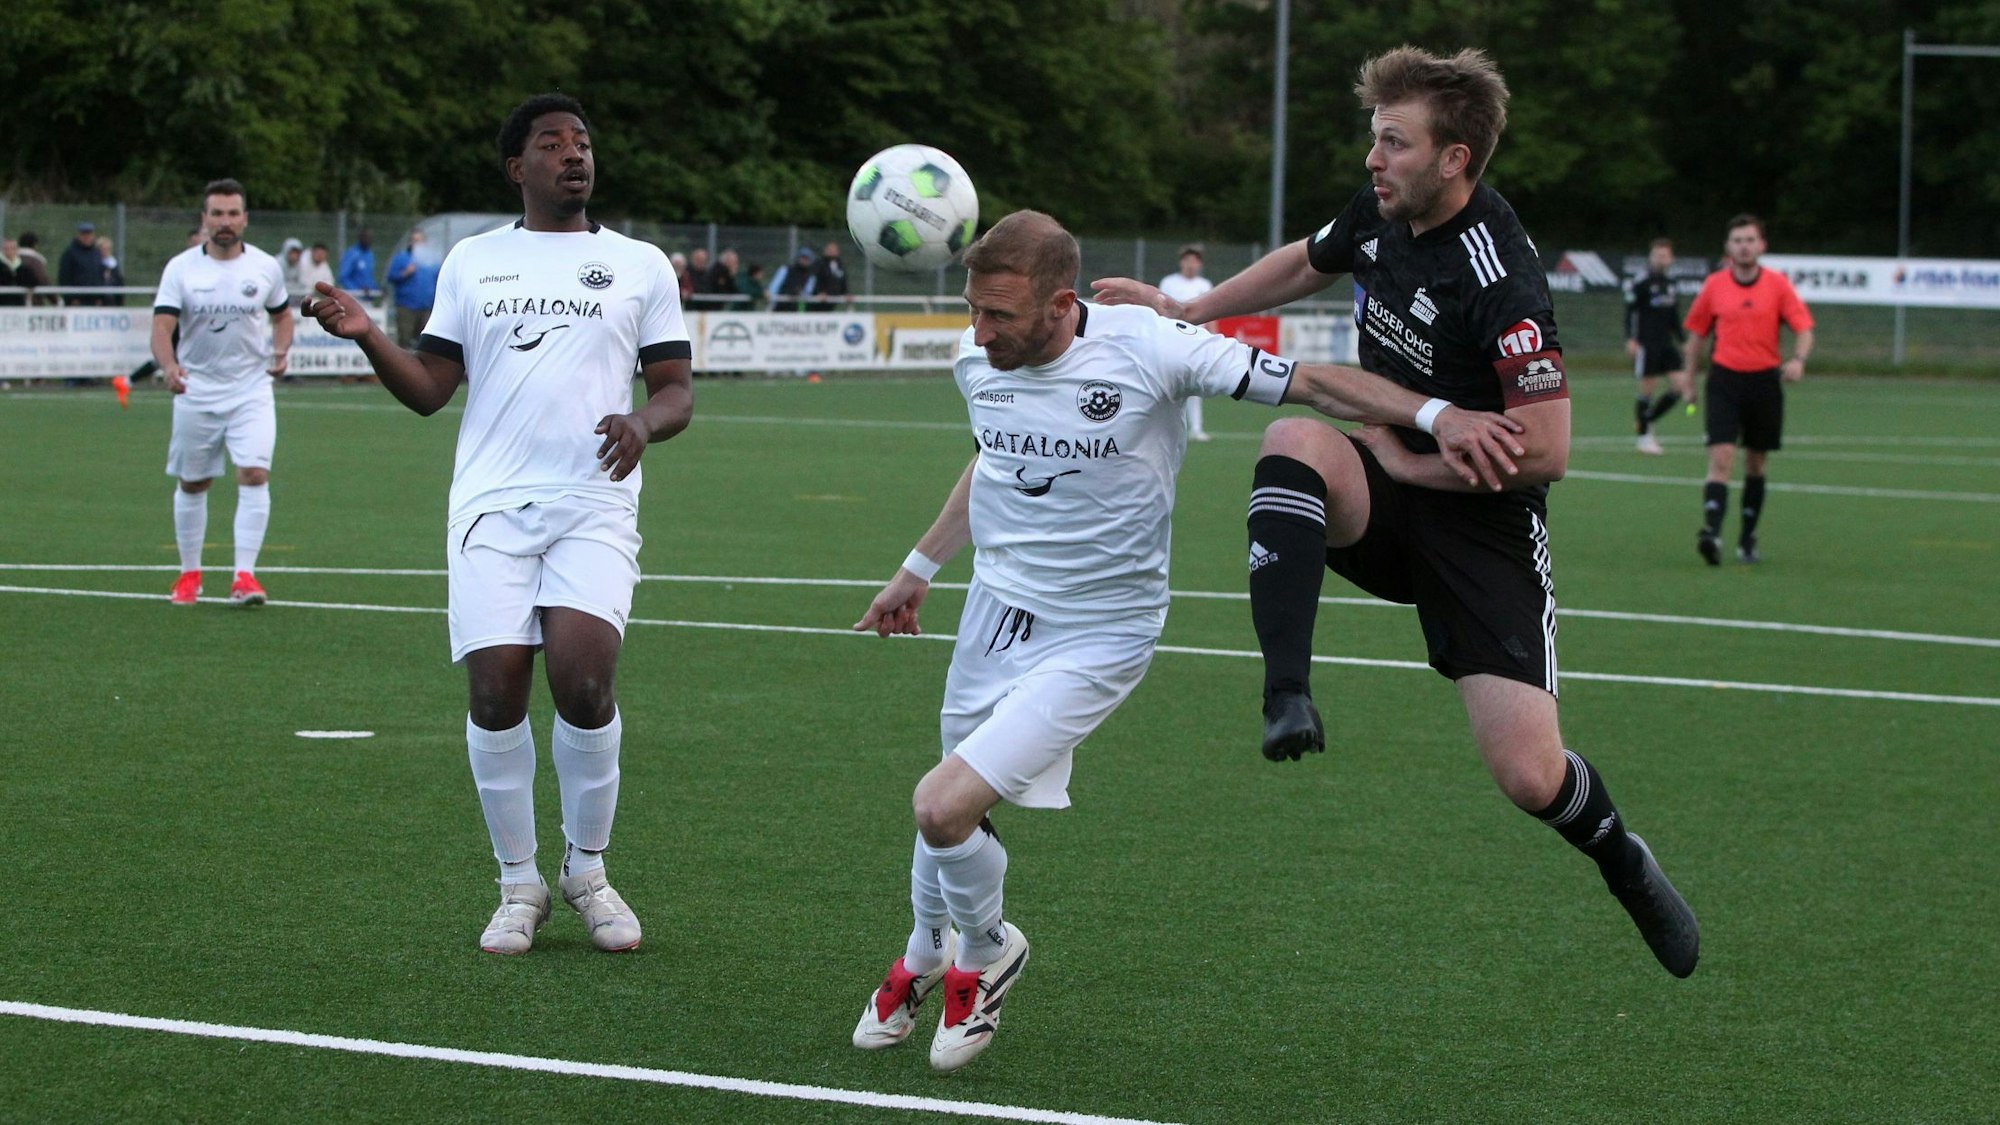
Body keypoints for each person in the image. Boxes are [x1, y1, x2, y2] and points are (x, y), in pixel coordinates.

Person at [848, 209, 1526, 1073]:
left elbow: (1315, 384)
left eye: (1000, 317)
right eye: (974, 312)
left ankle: (987, 954)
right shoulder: (977, 358)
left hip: (1100, 632)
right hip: (993, 611)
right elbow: (993, 456)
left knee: (941, 805)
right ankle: (924, 949)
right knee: (951, 803)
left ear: (1061, 305)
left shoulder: (1153, 349)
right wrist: (918, 566)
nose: (979, 334)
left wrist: (1440, 413)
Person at [1093, 46, 1700, 981]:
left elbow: (1547, 451)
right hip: (1381, 481)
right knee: (1293, 442)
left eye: (1393, 142)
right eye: (1374, 138)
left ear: (1453, 158)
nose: (1373, 159)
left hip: (1480, 524)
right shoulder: (1382, 214)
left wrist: (1412, 457)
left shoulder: (1501, 276)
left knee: (1530, 777)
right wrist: (1187, 313)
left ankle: (1623, 858)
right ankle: (1286, 694)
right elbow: (1305, 263)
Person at [302, 93, 694, 957]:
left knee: (585, 683)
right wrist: (369, 334)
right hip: (489, 506)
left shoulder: (639, 265)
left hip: (594, 499)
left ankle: (586, 871)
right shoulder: (474, 261)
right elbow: (432, 390)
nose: (573, 154)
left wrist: (643, 423)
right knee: (496, 691)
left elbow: (674, 387)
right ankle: (517, 882)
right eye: (552, 144)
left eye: (582, 141)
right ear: (518, 168)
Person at [151, 179, 294, 607]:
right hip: (197, 390)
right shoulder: (181, 269)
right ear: (205, 219)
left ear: (245, 219)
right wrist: (169, 366)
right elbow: (162, 326)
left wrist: (282, 349)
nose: (226, 221)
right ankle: (189, 574)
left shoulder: (265, 267)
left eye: (233, 214)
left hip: (251, 389)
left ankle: (244, 577)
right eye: (217, 214)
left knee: (254, 473)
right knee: (194, 482)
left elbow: (282, 316)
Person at [1673, 214, 1813, 565]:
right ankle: (1712, 533)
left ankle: (1747, 537)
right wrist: (1689, 379)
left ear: (1761, 245)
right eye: (1737, 240)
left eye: (1750, 240)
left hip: (1765, 382)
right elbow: (1696, 336)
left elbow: (1804, 328)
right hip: (1724, 381)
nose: (1744, 246)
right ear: (1728, 247)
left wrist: (1798, 359)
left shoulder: (1778, 285)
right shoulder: (1715, 285)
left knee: (1755, 462)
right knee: (1721, 458)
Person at [1624, 238, 1686, 454]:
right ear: (1651, 257)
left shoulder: (1671, 283)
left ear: (1671, 258)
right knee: (1647, 390)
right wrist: (1631, 338)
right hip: (1646, 343)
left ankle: (1646, 420)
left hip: (1666, 344)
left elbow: (1674, 316)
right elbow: (1631, 312)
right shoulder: (1641, 282)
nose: (1662, 259)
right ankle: (1643, 437)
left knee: (1680, 386)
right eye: (1658, 255)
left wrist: (1683, 340)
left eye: (1665, 255)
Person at [1158, 245, 1215, 441]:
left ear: (1199, 264)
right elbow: (1160, 310)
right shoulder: (1169, 282)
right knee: (1168, 383)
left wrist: (1213, 338)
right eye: (1187, 259)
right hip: (1173, 339)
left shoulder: (1205, 284)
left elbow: (1212, 313)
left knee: (1194, 385)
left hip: (1196, 341)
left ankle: (1196, 428)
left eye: (1195, 260)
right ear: (1181, 262)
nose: (1191, 264)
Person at [386, 229, 441, 346]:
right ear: (410, 243)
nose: (417, 244)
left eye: (420, 241)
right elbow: (391, 276)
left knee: (426, 343)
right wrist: (405, 273)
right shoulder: (402, 258)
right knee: (405, 341)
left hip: (426, 308)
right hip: (406, 307)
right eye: (414, 241)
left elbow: (438, 279)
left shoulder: (431, 261)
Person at [59, 222, 106, 305]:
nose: (87, 237)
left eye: (89, 234)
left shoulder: (96, 253)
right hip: (77, 302)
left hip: (94, 301)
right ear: (78, 235)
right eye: (84, 234)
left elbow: (100, 275)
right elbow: (64, 277)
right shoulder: (70, 253)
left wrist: (100, 297)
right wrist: (71, 298)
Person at [807, 240, 850, 313]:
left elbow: (843, 280)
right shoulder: (819, 264)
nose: (831, 252)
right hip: (818, 302)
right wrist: (819, 292)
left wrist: (846, 293)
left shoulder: (839, 265)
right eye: (829, 249)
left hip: (832, 300)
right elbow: (814, 280)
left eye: (834, 250)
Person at [768, 247, 815, 312]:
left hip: (795, 307)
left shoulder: (810, 276)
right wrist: (772, 301)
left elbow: (807, 293)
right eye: (803, 258)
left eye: (807, 258)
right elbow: (774, 287)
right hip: (779, 305)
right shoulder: (785, 269)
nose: (804, 260)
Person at [338, 229, 378, 298]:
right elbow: (343, 277)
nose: (368, 240)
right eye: (366, 237)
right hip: (355, 298)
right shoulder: (352, 253)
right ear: (360, 238)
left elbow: (368, 278)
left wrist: (375, 288)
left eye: (370, 237)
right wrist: (357, 290)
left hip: (367, 298)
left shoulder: (370, 254)